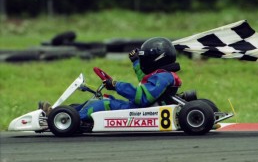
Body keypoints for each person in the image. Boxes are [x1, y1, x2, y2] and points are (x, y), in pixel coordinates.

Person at [39, 37, 182, 121]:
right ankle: (58, 112)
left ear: (156, 59)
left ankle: (65, 119)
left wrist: (116, 85)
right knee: (94, 102)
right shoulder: (162, 75)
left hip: (142, 110)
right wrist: (136, 62)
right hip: (143, 108)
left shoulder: (163, 77)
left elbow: (143, 97)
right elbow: (146, 80)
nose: (144, 62)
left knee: (102, 104)